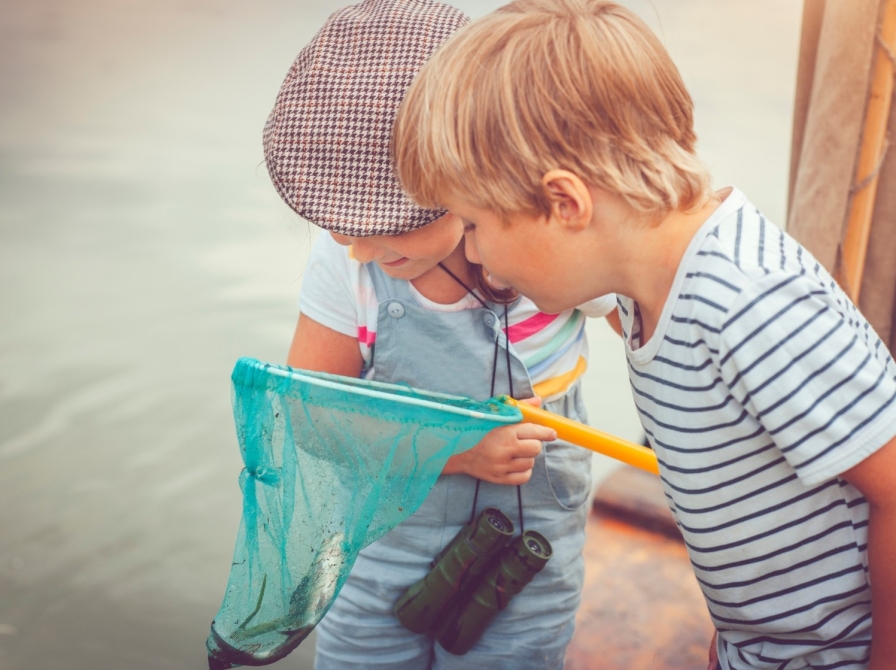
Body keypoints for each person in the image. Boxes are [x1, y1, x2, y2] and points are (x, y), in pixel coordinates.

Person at [391, 1, 896, 669]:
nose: (476, 257)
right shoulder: (646, 285)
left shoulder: (750, 303)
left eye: (476, 226)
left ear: (566, 203)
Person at [262, 1, 619, 668]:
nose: (364, 250)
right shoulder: (349, 265)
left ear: (481, 171)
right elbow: (315, 423)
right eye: (342, 223)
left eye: (393, 223)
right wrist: (456, 452)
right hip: (380, 546)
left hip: (525, 550)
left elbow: (661, 335)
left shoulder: (556, 244)